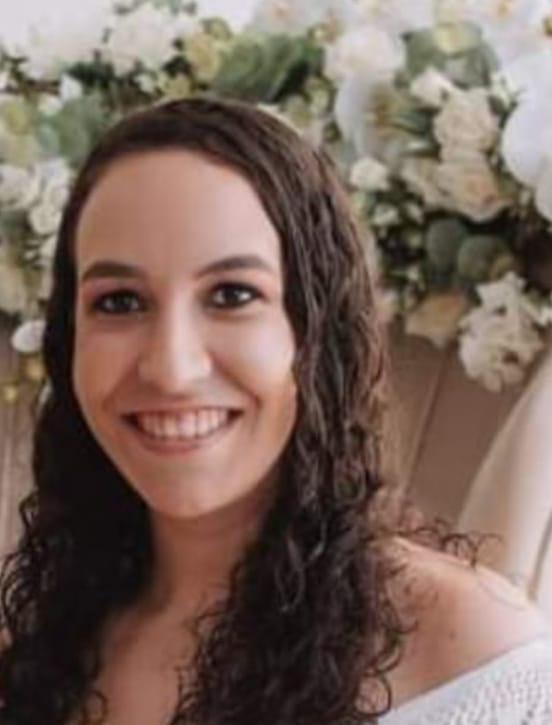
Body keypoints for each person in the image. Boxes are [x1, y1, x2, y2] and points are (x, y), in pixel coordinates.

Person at [0, 96, 550, 725]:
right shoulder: (36, 651)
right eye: (120, 302)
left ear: (317, 330)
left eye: (232, 295)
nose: (172, 369)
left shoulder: (474, 658)